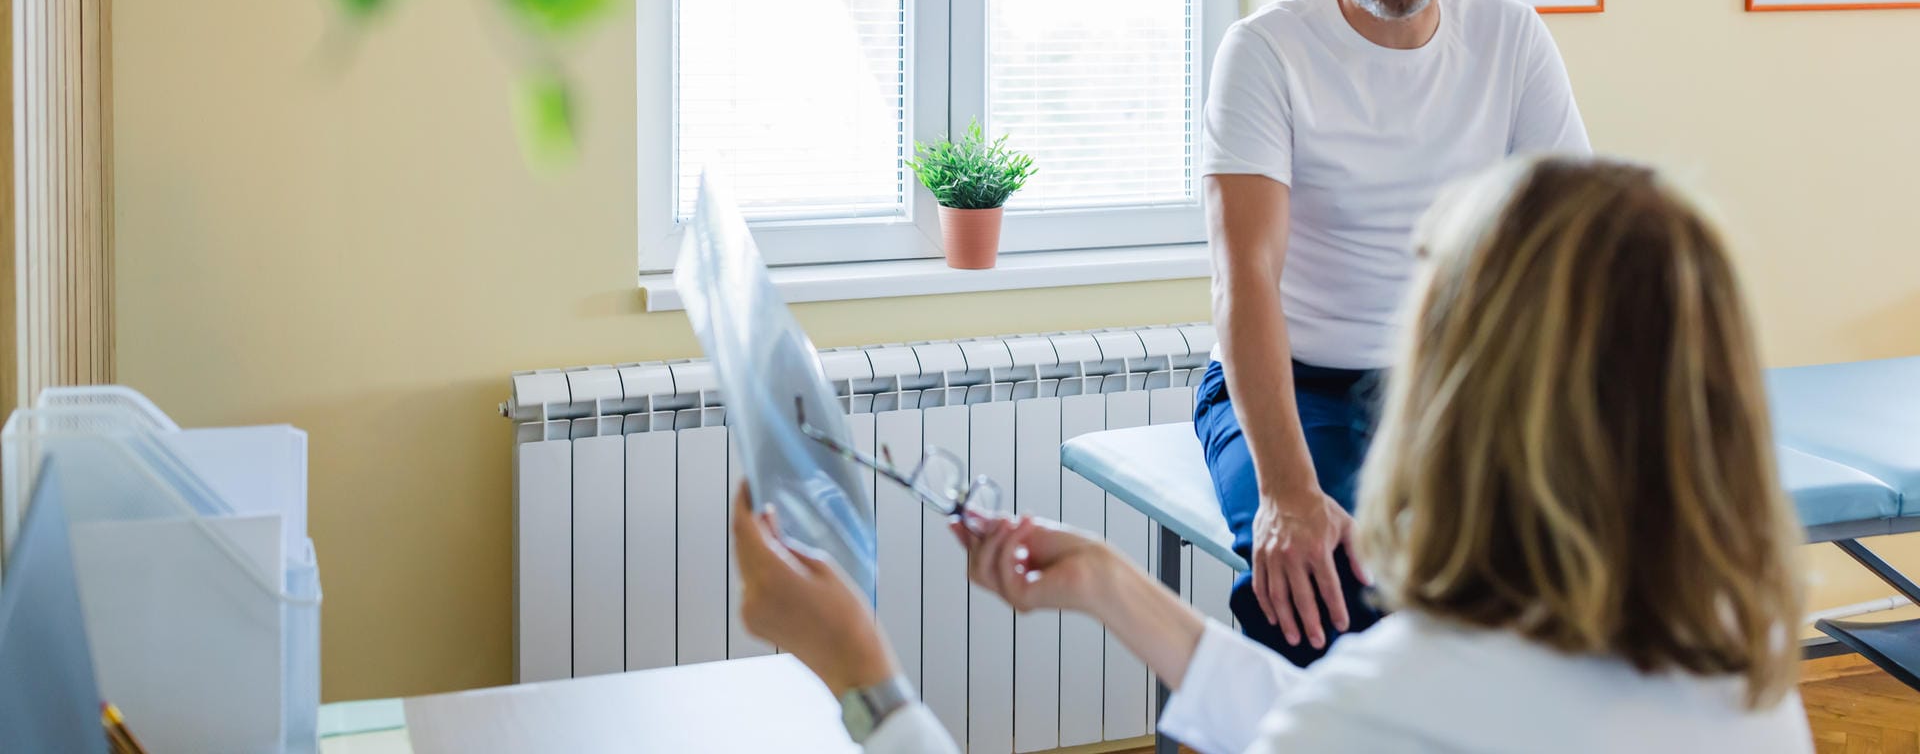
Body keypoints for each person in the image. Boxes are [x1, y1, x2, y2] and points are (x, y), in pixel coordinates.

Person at [732, 156, 1814, 753]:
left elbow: (1355, 726)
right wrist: (1115, 587)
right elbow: (1336, 723)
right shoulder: (1733, 669)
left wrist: (867, 685)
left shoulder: (1405, 701)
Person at [1195, 0, 1587, 669]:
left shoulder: (1510, 39)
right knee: (1322, 594)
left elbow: (1571, 248)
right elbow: (1245, 278)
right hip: (1300, 385)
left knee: (1559, 589)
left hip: (1452, 387)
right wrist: (1289, 492)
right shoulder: (1266, 53)